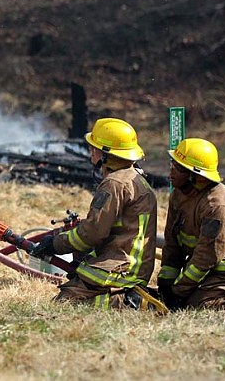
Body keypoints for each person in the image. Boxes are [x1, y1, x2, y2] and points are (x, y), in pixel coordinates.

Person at [32, 117, 159, 310]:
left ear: (106, 155)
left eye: (94, 148)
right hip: (132, 267)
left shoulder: (114, 184)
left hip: (119, 270)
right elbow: (112, 230)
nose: (91, 152)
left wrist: (55, 245)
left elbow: (92, 233)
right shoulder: (138, 180)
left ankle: (128, 303)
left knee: (64, 304)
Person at [158, 138, 225, 310]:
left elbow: (206, 257)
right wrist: (165, 283)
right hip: (209, 268)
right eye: (172, 163)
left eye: (178, 168)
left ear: (194, 175)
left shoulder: (218, 207)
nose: (171, 171)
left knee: (199, 306)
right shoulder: (179, 195)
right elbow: (172, 243)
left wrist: (178, 292)